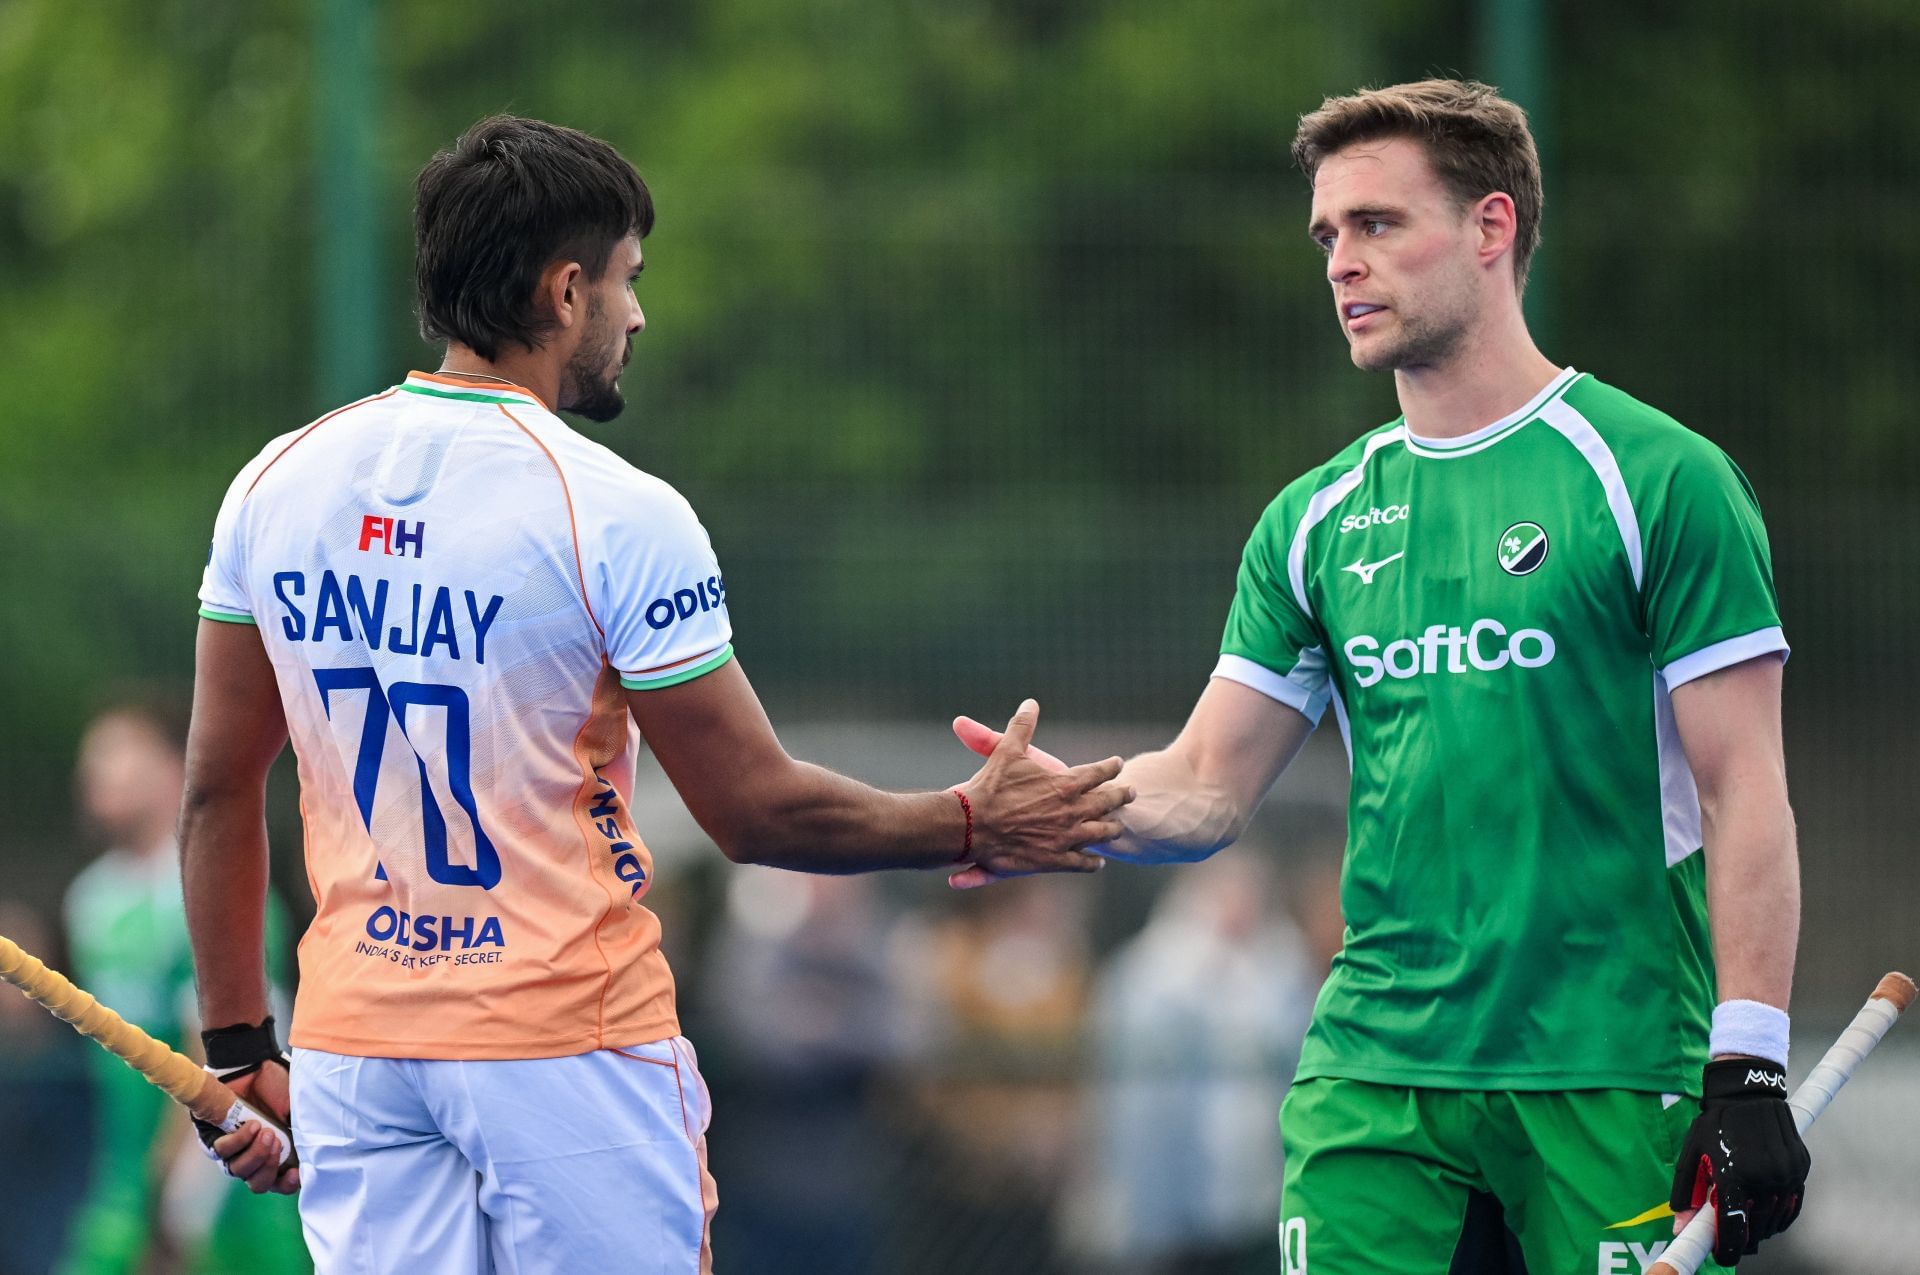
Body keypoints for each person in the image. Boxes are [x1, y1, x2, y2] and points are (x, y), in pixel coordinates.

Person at [178, 114, 1130, 1273]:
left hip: (358, 1050)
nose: (637, 314)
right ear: (564, 290)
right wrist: (976, 819)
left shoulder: (275, 483)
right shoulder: (614, 509)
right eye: (628, 280)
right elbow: (755, 811)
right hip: (563, 1046)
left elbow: (219, 787)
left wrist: (238, 1045)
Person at [951, 80, 1806, 1274]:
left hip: (1611, 1067)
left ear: (1491, 229)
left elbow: (1743, 793)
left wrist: (1751, 1061)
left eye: (1377, 225)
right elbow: (1204, 785)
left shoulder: (1659, 478)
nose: (1342, 263)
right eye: (1327, 236)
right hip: (1377, 1074)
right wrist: (1059, 807)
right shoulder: (1314, 519)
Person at [58, 697, 307, 1275]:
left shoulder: (217, 893)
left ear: (176, 765)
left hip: (224, 1196)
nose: (97, 767)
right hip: (122, 1188)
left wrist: (179, 1206)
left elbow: (237, 1061)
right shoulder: (89, 900)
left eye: (119, 750)